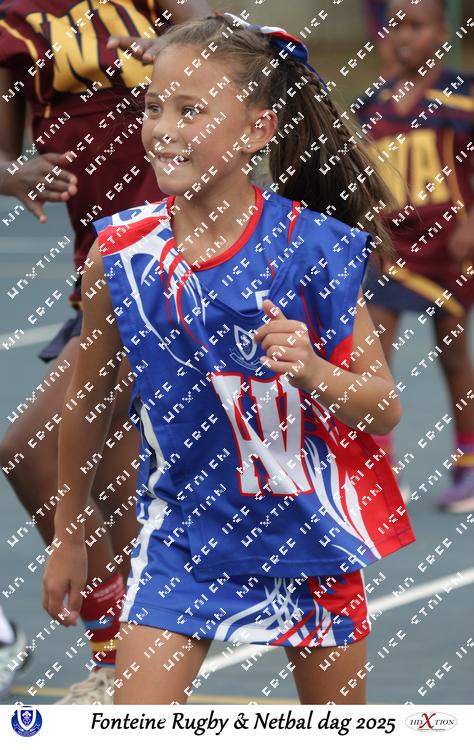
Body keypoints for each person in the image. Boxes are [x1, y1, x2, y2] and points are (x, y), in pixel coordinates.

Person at [42, 12, 416, 705]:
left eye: (191, 110)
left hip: (309, 539)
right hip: (185, 538)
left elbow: (384, 407)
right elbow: (87, 402)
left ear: (256, 130)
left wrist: (314, 370)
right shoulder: (121, 253)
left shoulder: (312, 248)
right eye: (154, 107)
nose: (163, 128)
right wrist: (70, 536)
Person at [0, 0, 210, 703]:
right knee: (120, 492)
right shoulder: (13, 26)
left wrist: (175, 46)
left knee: (32, 449)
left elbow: (224, 45)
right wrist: (17, 173)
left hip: (170, 252)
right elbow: (4, 155)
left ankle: (124, 659)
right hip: (99, 269)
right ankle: (132, 668)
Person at [356, 0, 474, 513]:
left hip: (449, 248)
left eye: (417, 26)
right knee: (373, 354)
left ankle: (468, 462)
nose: (404, 36)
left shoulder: (463, 96)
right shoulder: (371, 105)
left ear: (442, 32)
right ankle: (381, 467)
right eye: (395, 26)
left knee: (453, 354)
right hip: (392, 249)